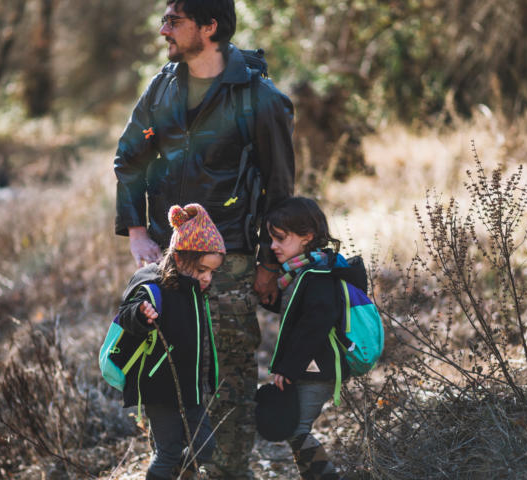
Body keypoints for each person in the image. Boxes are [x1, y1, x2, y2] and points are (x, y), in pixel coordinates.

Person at [114, 0, 295, 477]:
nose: (162, 31)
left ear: (209, 27)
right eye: (165, 20)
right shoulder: (161, 88)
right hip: (168, 270)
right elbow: (130, 159)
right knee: (172, 382)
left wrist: (268, 264)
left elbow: (280, 190)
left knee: (230, 385)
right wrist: (136, 232)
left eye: (174, 21)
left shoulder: (260, 98)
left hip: (229, 265)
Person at [116, 203, 225, 480]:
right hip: (159, 387)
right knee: (168, 451)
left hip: (191, 388)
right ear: (179, 258)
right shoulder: (153, 284)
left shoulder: (194, 291)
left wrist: (208, 379)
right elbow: (126, 314)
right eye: (202, 269)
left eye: (212, 272)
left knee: (206, 447)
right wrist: (141, 313)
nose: (207, 278)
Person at [265, 196, 353, 480]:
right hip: (310, 365)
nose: (272, 246)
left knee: (297, 430)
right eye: (271, 238)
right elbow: (296, 314)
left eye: (280, 238)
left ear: (307, 236)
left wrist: (287, 367)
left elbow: (315, 323)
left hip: (319, 367)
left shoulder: (317, 274)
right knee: (296, 431)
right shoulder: (302, 272)